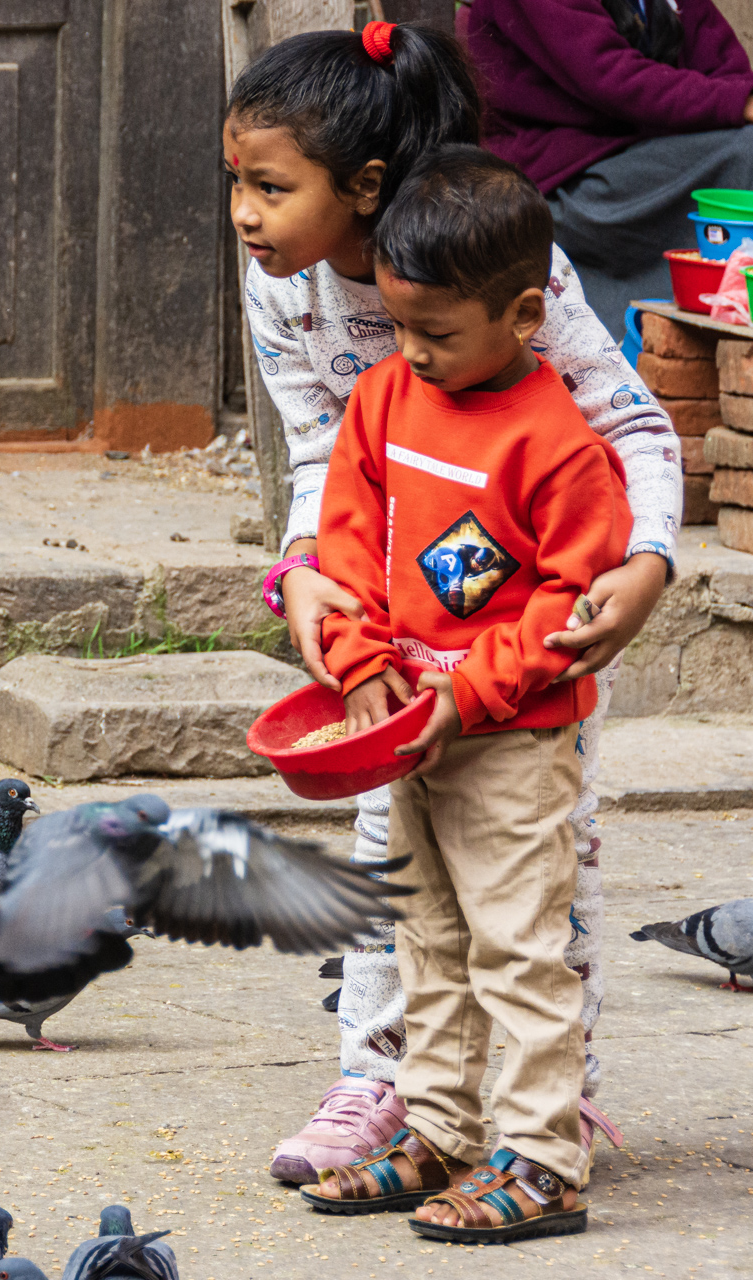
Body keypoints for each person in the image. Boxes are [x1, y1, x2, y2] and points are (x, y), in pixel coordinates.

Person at [224, 18, 676, 1185]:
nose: (244, 213)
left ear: (364, 187)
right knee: (397, 862)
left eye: (270, 186)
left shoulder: (493, 267)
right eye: (237, 184)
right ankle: (393, 1085)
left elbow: (628, 422)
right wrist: (310, 580)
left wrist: (648, 568)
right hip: (401, 628)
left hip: (534, 641)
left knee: (531, 885)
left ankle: (544, 1113)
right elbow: (322, 449)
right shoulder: (285, 288)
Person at [298, 143, 632, 1244]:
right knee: (426, 940)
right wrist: (358, 658)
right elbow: (345, 539)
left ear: (526, 315)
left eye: (437, 332)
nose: (412, 353)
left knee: (519, 947)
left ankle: (541, 1156)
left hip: (511, 743)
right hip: (409, 731)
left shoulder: (559, 446)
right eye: (398, 327)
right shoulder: (389, 397)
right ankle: (439, 1127)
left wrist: (464, 695)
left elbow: (567, 612)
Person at [468, 0, 753, 338]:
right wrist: (739, 103)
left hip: (650, 155)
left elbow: (727, 68)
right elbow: (611, 77)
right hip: (569, 183)